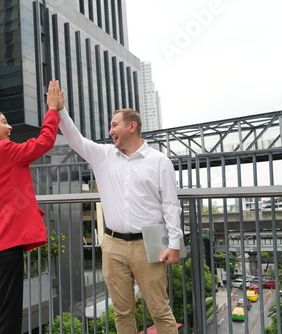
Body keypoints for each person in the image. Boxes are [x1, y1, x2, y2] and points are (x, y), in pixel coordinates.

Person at [54, 81, 183, 334]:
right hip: (112, 245)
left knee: (160, 311)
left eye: (115, 125)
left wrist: (175, 244)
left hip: (150, 244)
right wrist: (60, 111)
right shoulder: (102, 155)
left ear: (131, 126)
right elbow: (75, 139)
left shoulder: (159, 161)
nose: (110, 130)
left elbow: (170, 204)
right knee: (122, 312)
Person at [0, 81, 62, 334]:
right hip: (6, 243)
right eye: (4, 122)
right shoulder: (2, 150)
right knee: (8, 315)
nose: (9, 128)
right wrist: (52, 110)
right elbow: (43, 143)